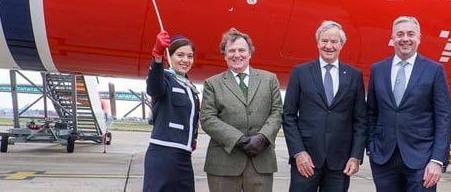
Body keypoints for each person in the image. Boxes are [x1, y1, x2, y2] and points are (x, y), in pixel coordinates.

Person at [366, 16, 451, 191]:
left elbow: (444, 117)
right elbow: (371, 113)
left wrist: (437, 160)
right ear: (392, 38)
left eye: (410, 34)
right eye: (400, 34)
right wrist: (371, 148)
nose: (405, 38)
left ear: (419, 38)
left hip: (422, 159)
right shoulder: (378, 69)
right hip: (384, 159)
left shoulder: (434, 70)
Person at [282, 20, 368, 192]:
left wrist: (356, 156)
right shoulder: (301, 72)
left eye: (334, 41)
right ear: (317, 43)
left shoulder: (354, 75)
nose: (329, 46)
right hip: (306, 160)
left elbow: (360, 120)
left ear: (342, 45)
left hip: (340, 162)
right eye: (324, 41)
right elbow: (289, 116)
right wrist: (298, 152)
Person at [200, 27, 283, 192]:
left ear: (250, 53)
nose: (236, 55)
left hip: (261, 162)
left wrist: (262, 137)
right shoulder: (212, 83)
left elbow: (277, 112)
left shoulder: (270, 79)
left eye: (241, 50)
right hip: (224, 164)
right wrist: (239, 140)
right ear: (224, 55)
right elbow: (208, 119)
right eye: (231, 51)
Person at [143, 31, 200, 192]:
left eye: (190, 56)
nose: (185, 60)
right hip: (163, 154)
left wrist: (192, 138)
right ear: (169, 56)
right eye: (180, 55)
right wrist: (157, 56)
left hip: (183, 156)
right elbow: (154, 87)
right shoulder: (165, 79)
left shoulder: (188, 85)